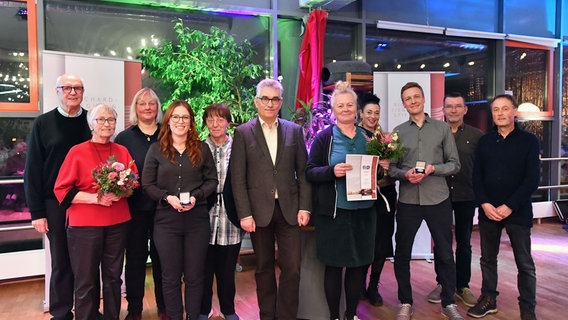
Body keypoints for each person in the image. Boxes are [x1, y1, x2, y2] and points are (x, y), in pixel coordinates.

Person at [230, 78, 312, 320]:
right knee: (264, 268)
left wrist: (305, 206)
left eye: (274, 99)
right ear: (256, 101)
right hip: (258, 212)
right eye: (264, 98)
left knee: (292, 269)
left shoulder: (294, 131)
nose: (269, 103)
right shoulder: (243, 133)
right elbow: (238, 178)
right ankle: (267, 316)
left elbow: (304, 173)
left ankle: (286, 316)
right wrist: (244, 213)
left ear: (280, 102)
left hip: (290, 210)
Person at [388, 82, 464, 320]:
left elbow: (455, 164)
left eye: (416, 97)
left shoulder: (442, 129)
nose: (413, 101)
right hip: (409, 200)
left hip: (438, 198)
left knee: (444, 252)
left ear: (423, 98)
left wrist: (434, 169)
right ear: (403, 104)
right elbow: (391, 169)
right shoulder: (398, 132)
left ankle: (448, 303)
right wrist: (404, 175)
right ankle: (405, 302)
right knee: (402, 253)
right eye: (408, 98)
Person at [54, 103, 136, 320]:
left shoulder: (122, 151)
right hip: (84, 226)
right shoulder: (77, 152)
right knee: (86, 281)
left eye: (111, 120)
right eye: (101, 119)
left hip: (118, 223)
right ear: (91, 124)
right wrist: (95, 198)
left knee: (113, 279)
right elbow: (61, 189)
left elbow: (134, 182)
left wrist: (122, 192)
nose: (106, 124)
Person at [24, 73, 92, 320]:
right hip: (55, 204)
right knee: (61, 261)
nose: (72, 92)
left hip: (88, 201)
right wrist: (37, 213)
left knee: (86, 262)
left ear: (83, 92)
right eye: (67, 88)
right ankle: (61, 313)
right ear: (57, 91)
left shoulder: (91, 121)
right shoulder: (43, 123)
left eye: (77, 88)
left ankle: (88, 311)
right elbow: (32, 170)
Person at [306, 81, 376, 320]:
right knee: (334, 266)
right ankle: (335, 316)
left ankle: (351, 314)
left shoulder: (369, 137)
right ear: (333, 110)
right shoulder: (324, 138)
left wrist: (383, 168)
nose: (345, 109)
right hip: (334, 213)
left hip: (364, 212)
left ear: (357, 108)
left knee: (359, 265)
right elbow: (310, 171)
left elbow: (377, 172)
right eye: (340, 106)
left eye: (349, 105)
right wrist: (331, 171)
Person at [142, 100, 218, 320]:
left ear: (191, 122)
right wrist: (167, 198)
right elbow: (147, 185)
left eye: (185, 117)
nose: (180, 122)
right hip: (166, 222)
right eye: (175, 117)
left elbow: (212, 181)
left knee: (195, 276)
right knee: (170, 277)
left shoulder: (202, 148)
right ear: (168, 121)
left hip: (197, 221)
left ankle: (193, 316)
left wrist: (197, 196)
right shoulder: (156, 149)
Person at [468, 94, 540, 320]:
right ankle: (488, 298)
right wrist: (485, 203)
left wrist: (509, 206)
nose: (500, 113)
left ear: (514, 112)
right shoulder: (485, 141)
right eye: (496, 110)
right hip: (488, 210)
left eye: (504, 109)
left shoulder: (529, 141)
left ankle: (527, 309)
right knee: (487, 259)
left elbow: (532, 179)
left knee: (524, 263)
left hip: (518, 211)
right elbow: (476, 176)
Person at [427, 92, 484, 308]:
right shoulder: (435, 133)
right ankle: (443, 283)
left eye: (457, 106)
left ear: (465, 109)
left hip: (466, 195)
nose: (453, 110)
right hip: (439, 194)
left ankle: (462, 285)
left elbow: (484, 165)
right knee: (441, 243)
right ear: (443, 109)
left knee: (464, 243)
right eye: (449, 106)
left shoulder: (477, 136)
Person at [115, 88, 167, 320]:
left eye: (151, 103)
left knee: (164, 260)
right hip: (134, 210)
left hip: (164, 210)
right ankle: (134, 309)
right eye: (142, 103)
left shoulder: (168, 134)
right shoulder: (124, 138)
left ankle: (166, 307)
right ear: (135, 108)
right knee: (135, 260)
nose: (147, 107)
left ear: (158, 108)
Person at [198, 103, 243, 320]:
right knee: (203, 271)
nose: (215, 124)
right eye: (210, 119)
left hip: (230, 218)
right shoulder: (197, 148)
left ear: (228, 122)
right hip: (202, 219)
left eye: (220, 119)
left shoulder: (239, 148)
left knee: (227, 273)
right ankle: (202, 310)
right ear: (205, 122)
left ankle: (229, 310)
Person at [356, 92, 397, 307]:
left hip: (387, 195)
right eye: (369, 112)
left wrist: (391, 164)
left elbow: (396, 167)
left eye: (376, 113)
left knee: (382, 242)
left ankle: (374, 286)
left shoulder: (386, 138)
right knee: (365, 242)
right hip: (364, 194)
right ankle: (360, 283)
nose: (373, 116)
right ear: (361, 113)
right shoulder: (354, 136)